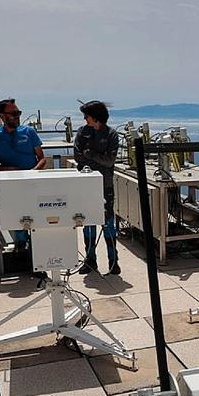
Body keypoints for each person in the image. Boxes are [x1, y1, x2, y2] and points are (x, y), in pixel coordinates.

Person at [0, 99, 44, 254]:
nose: (17, 116)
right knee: (16, 218)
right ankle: (21, 249)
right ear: (2, 115)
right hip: (10, 185)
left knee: (36, 217)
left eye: (18, 113)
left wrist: (32, 172)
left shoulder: (29, 132)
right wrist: (9, 170)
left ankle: (37, 250)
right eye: (13, 113)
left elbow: (42, 158)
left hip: (32, 183)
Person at [73, 100, 121, 275]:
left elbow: (110, 160)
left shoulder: (111, 135)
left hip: (105, 185)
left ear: (95, 117)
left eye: (87, 116)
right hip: (86, 186)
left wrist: (90, 154)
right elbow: (78, 157)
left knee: (108, 224)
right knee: (88, 224)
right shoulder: (82, 132)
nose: (85, 119)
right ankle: (90, 260)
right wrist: (97, 158)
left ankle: (113, 262)